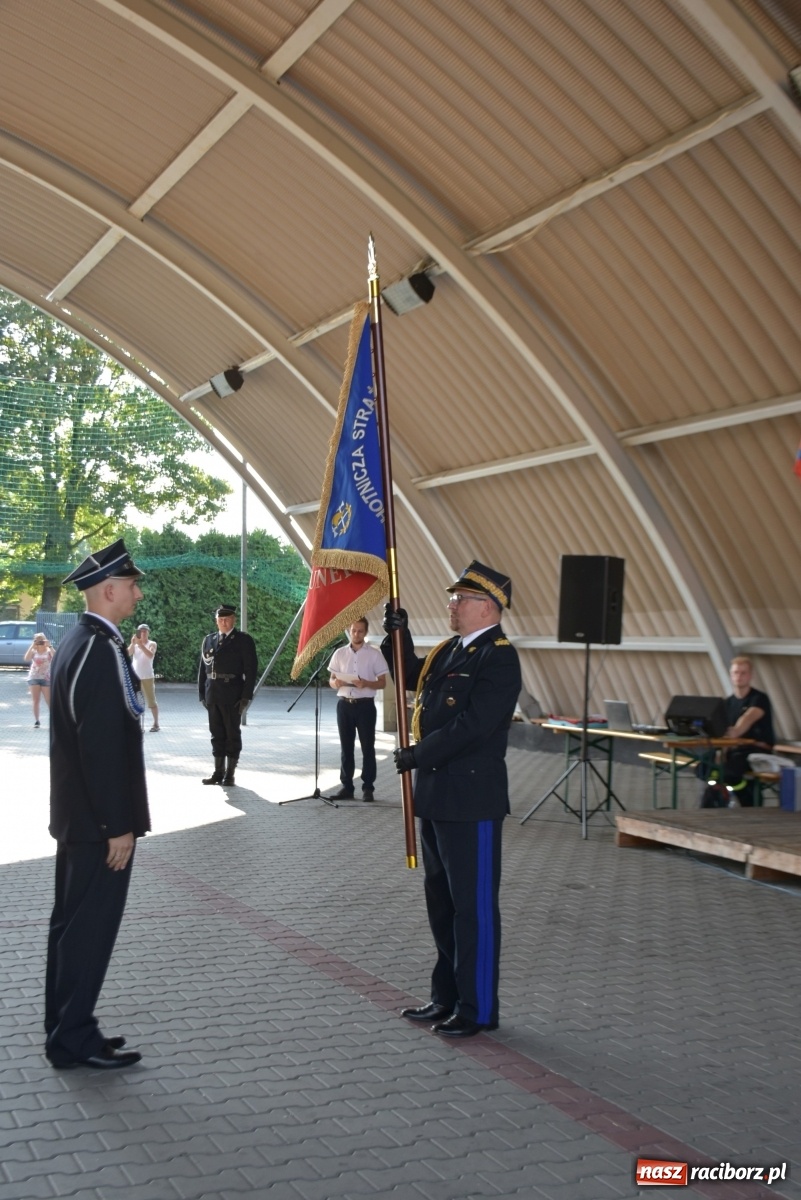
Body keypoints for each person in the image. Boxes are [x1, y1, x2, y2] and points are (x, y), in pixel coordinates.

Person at [382, 560, 521, 1039]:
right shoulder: (449, 651)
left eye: (460, 599)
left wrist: (419, 754)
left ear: (487, 607)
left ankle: (477, 1007)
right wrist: (396, 634)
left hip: (472, 800)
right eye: (453, 598)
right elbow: (412, 675)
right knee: (442, 905)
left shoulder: (498, 657)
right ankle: (446, 996)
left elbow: (473, 726)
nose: (452, 605)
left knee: (474, 907)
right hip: (438, 798)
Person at [45, 538, 150, 1070]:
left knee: (69, 926)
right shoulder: (100, 649)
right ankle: (74, 1036)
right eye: (131, 585)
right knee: (87, 930)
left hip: (76, 817)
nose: (136, 593)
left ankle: (67, 1028)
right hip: (96, 822)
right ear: (108, 590)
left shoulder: (76, 641)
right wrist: (118, 825)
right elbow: (103, 745)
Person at [700, 655, 775, 808]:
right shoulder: (727, 703)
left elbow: (747, 719)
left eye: (743, 673)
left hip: (756, 749)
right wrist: (721, 752)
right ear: (730, 675)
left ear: (750, 676)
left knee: (729, 770)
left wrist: (735, 732)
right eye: (736, 673)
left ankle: (748, 796)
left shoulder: (759, 698)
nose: (739, 676)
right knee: (704, 765)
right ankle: (717, 793)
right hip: (735, 749)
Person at [327, 617, 388, 801]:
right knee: (346, 748)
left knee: (367, 747)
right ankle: (347, 787)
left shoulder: (374, 654)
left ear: (366, 632)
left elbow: (383, 683)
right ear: (349, 630)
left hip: (365, 706)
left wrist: (366, 683)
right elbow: (331, 680)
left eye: (360, 631)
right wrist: (335, 682)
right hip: (344, 704)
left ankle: (368, 787)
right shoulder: (339, 653)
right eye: (353, 630)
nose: (356, 634)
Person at [198, 604, 258, 787]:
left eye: (227, 619)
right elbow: (203, 669)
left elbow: (251, 670)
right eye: (220, 619)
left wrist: (246, 696)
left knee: (232, 733)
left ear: (234, 619)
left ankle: (230, 774)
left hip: (233, 693)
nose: (223, 622)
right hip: (213, 692)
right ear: (216, 621)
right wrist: (202, 693)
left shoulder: (243, 640)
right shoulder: (209, 640)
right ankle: (218, 772)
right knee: (216, 733)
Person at [128, 623, 159, 731]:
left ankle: (156, 724)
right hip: (136, 677)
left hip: (147, 677)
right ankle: (138, 726)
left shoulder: (152, 644)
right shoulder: (135, 645)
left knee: (151, 701)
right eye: (141, 631)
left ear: (148, 633)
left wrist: (140, 645)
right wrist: (133, 644)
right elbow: (128, 653)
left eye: (145, 631)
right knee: (136, 702)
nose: (143, 633)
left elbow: (150, 655)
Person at [24, 632, 54, 727]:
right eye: (38, 640)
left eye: (41, 639)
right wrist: (33, 645)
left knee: (49, 700)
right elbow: (27, 658)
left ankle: (54, 720)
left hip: (46, 677)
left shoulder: (48, 651)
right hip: (34, 677)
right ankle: (37, 721)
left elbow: (56, 656)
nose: (40, 642)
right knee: (36, 700)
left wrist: (50, 646)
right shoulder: (34, 651)